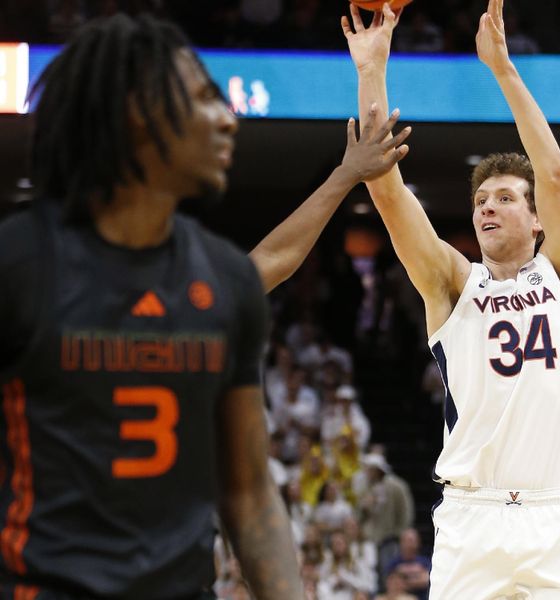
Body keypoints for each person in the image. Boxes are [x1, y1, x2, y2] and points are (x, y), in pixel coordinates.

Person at [0, 13, 410, 599]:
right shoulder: (18, 266)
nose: (228, 119)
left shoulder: (219, 279)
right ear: (140, 115)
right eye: (203, 99)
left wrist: (346, 176)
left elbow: (247, 494)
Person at [342, 0, 560, 597]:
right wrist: (371, 70)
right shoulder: (454, 285)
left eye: (505, 197)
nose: (486, 206)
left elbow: (553, 175)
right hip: (470, 518)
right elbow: (384, 185)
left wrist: (503, 69)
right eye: (481, 200)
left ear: (537, 223)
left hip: (552, 517)